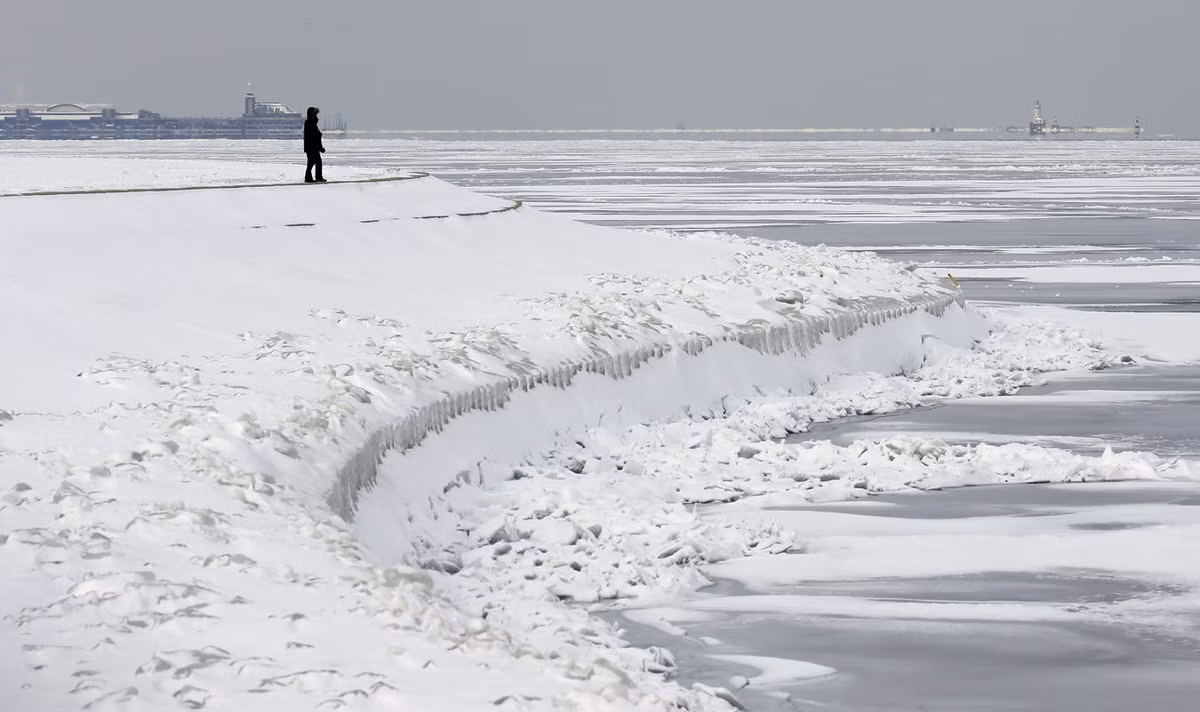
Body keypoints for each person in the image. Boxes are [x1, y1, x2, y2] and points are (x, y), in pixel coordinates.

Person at [304, 106, 326, 183]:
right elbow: (314, 136)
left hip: (313, 147)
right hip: (311, 147)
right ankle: (309, 177)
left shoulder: (311, 123)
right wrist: (320, 147)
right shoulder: (310, 123)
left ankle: (317, 177)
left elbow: (316, 136)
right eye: (315, 114)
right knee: (312, 162)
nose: (316, 116)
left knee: (317, 162)